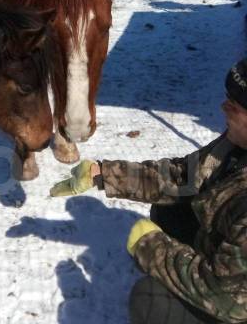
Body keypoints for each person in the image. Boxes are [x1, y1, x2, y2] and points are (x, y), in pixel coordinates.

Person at [50, 59, 247, 324]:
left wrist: (153, 247)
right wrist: (103, 174)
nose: (223, 108)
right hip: (229, 261)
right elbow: (182, 176)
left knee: (149, 301)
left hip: (234, 303)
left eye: (235, 105)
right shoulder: (233, 145)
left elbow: (226, 296)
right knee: (169, 210)